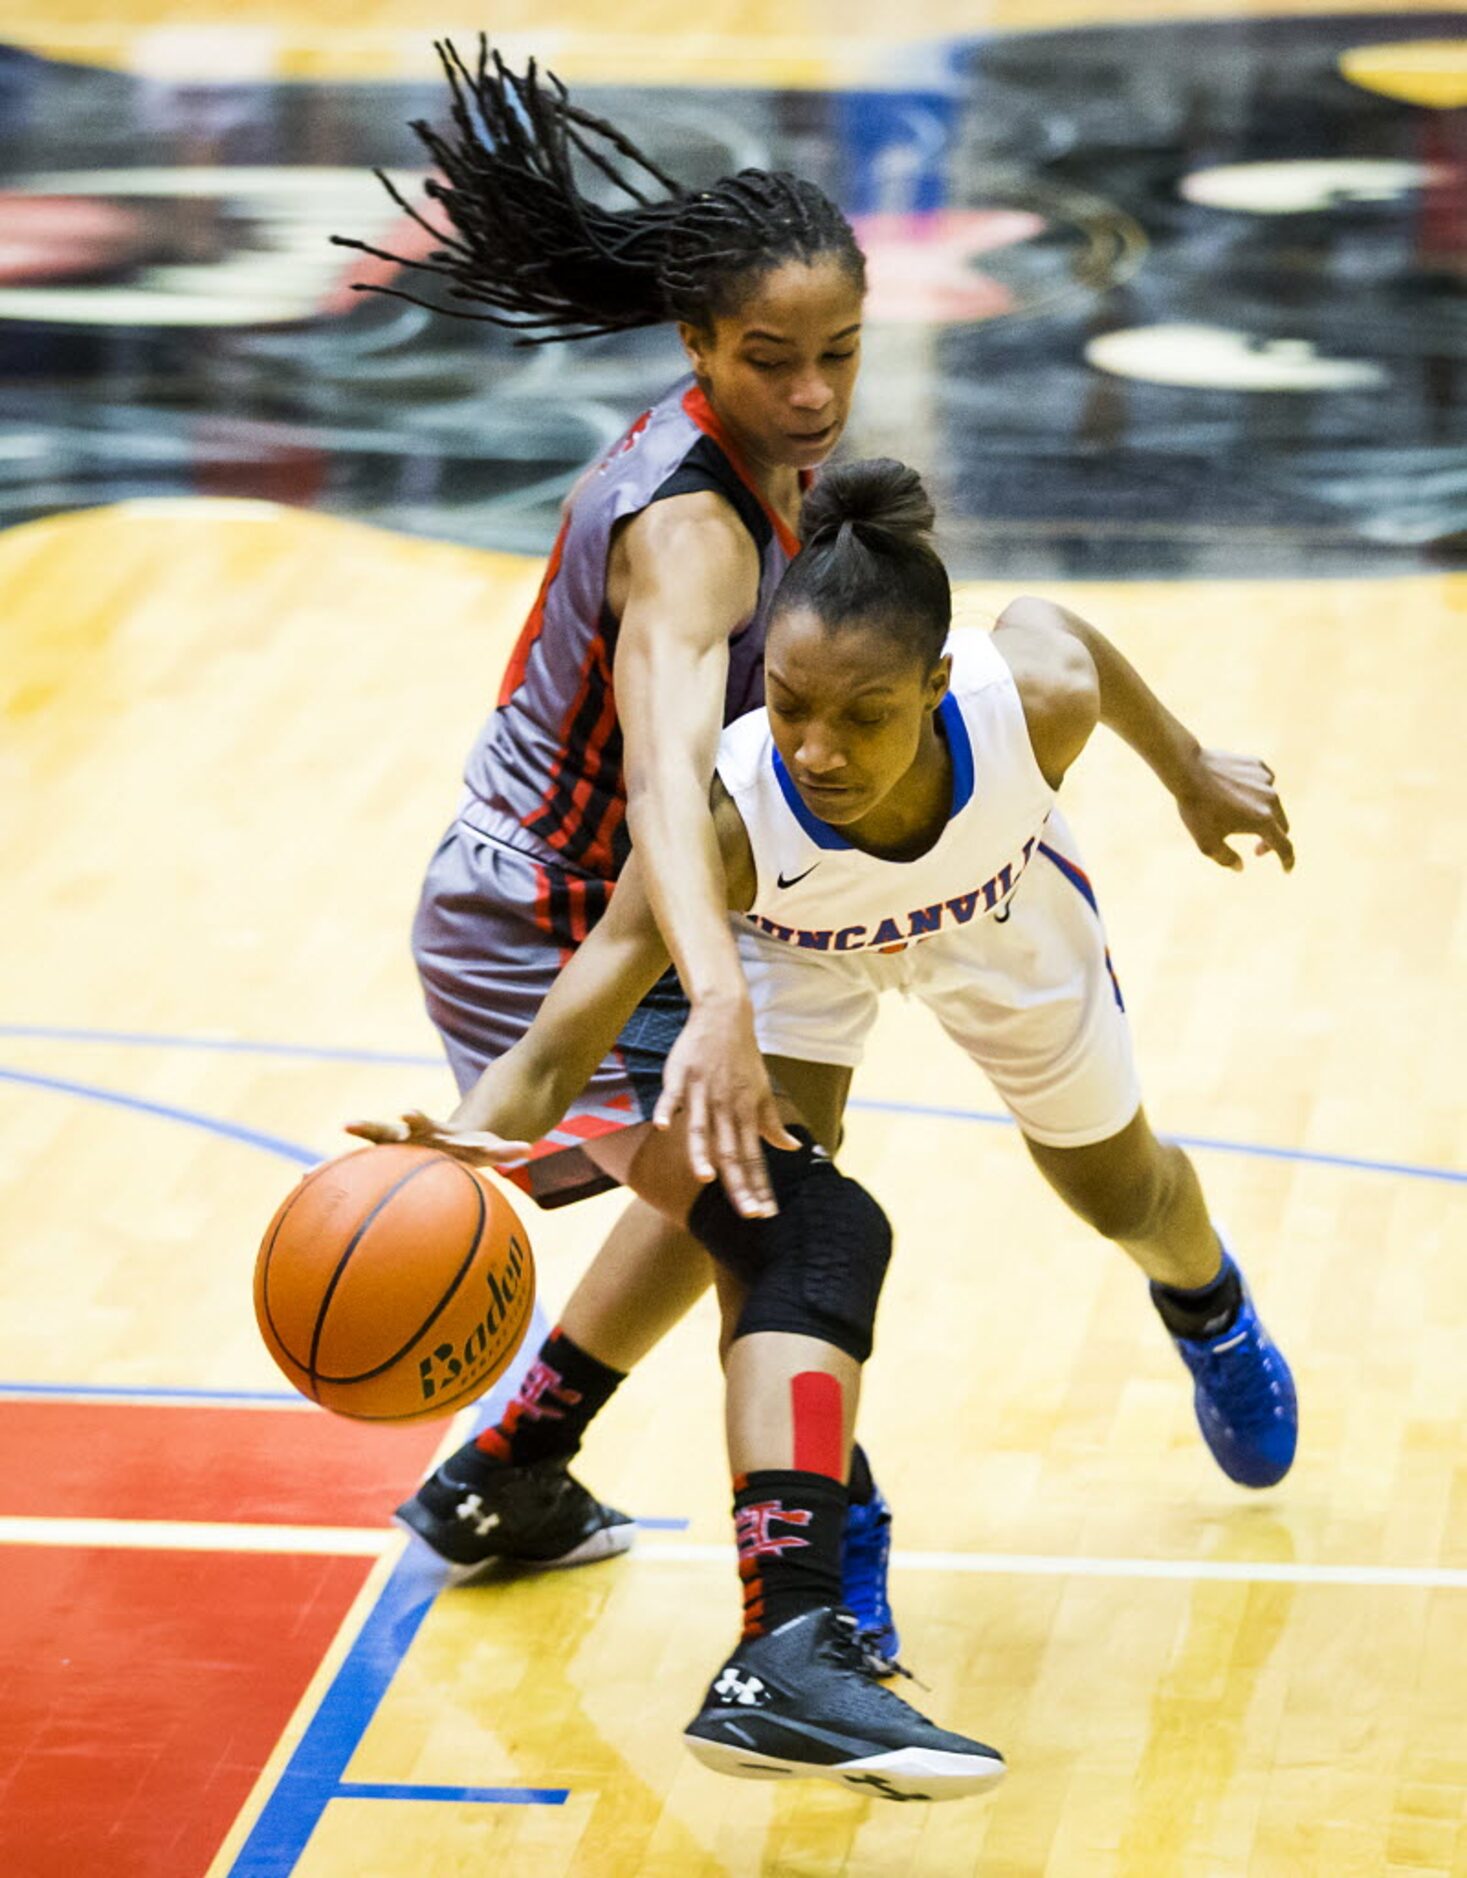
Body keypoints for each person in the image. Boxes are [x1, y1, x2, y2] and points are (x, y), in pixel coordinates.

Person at [354, 457, 1298, 1799]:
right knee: (775, 1218)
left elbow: (1070, 635)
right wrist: (460, 1139)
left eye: (865, 714)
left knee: (1120, 1189)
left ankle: (1208, 1305)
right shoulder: (740, 814)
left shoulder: (1029, 702)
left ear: (934, 684)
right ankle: (827, 1558)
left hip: (997, 917)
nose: (821, 749)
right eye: (791, 707)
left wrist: (1193, 768)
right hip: (805, 958)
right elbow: (565, 1038)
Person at [333, 39, 900, 1655]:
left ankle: (516, 1463)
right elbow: (661, 777)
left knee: (755, 1163)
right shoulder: (697, 530)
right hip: (552, 909)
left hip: (643, 894)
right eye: (771, 359)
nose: (811, 393)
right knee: (798, 1225)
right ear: (697, 340)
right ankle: (803, 1620)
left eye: (840, 354)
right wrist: (715, 996)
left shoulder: (766, 454)